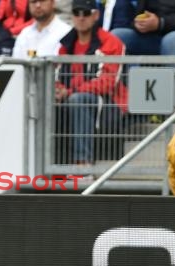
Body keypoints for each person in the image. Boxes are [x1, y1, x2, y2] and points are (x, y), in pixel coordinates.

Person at [54, 0, 127, 165]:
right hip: (74, 97)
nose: (81, 18)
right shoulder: (66, 44)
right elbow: (56, 77)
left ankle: (83, 163)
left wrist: (70, 92)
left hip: (109, 103)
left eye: (86, 13)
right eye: (77, 13)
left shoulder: (111, 42)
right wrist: (58, 90)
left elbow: (107, 82)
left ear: (96, 15)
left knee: (78, 100)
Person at [110, 0, 175, 56]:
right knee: (117, 36)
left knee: (172, 40)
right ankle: (115, 91)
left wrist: (161, 23)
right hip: (155, 38)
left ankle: (174, 93)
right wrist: (140, 24)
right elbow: (139, 14)